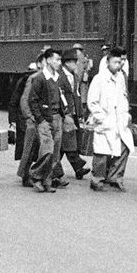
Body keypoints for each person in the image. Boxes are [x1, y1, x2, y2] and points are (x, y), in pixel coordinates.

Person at [87, 46, 134, 192]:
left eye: (120, 62)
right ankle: (97, 179)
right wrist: (102, 118)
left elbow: (123, 98)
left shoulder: (120, 78)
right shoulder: (99, 79)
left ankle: (115, 177)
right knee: (101, 152)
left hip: (119, 120)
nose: (118, 65)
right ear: (107, 62)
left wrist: (126, 115)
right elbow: (92, 102)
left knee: (124, 147)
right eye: (115, 62)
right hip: (105, 120)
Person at [27, 48, 69, 193]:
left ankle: (47, 181)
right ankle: (35, 175)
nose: (59, 63)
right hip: (45, 119)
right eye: (57, 60)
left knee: (55, 153)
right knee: (47, 150)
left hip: (57, 118)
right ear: (49, 60)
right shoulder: (40, 78)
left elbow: (62, 97)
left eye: (60, 60)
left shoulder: (58, 77)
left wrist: (65, 113)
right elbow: (32, 100)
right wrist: (40, 119)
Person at [54, 48, 91, 182]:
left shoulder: (74, 76)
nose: (76, 64)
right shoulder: (59, 76)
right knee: (68, 142)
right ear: (66, 63)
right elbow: (59, 95)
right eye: (74, 62)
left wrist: (80, 112)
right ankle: (73, 168)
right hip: (65, 114)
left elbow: (77, 95)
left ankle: (71, 167)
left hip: (73, 113)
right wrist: (65, 113)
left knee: (67, 142)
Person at [16, 53, 46, 187]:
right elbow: (24, 99)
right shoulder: (34, 78)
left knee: (45, 148)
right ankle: (25, 174)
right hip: (34, 119)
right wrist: (30, 117)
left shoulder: (51, 78)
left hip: (44, 118)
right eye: (46, 62)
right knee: (30, 148)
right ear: (39, 64)